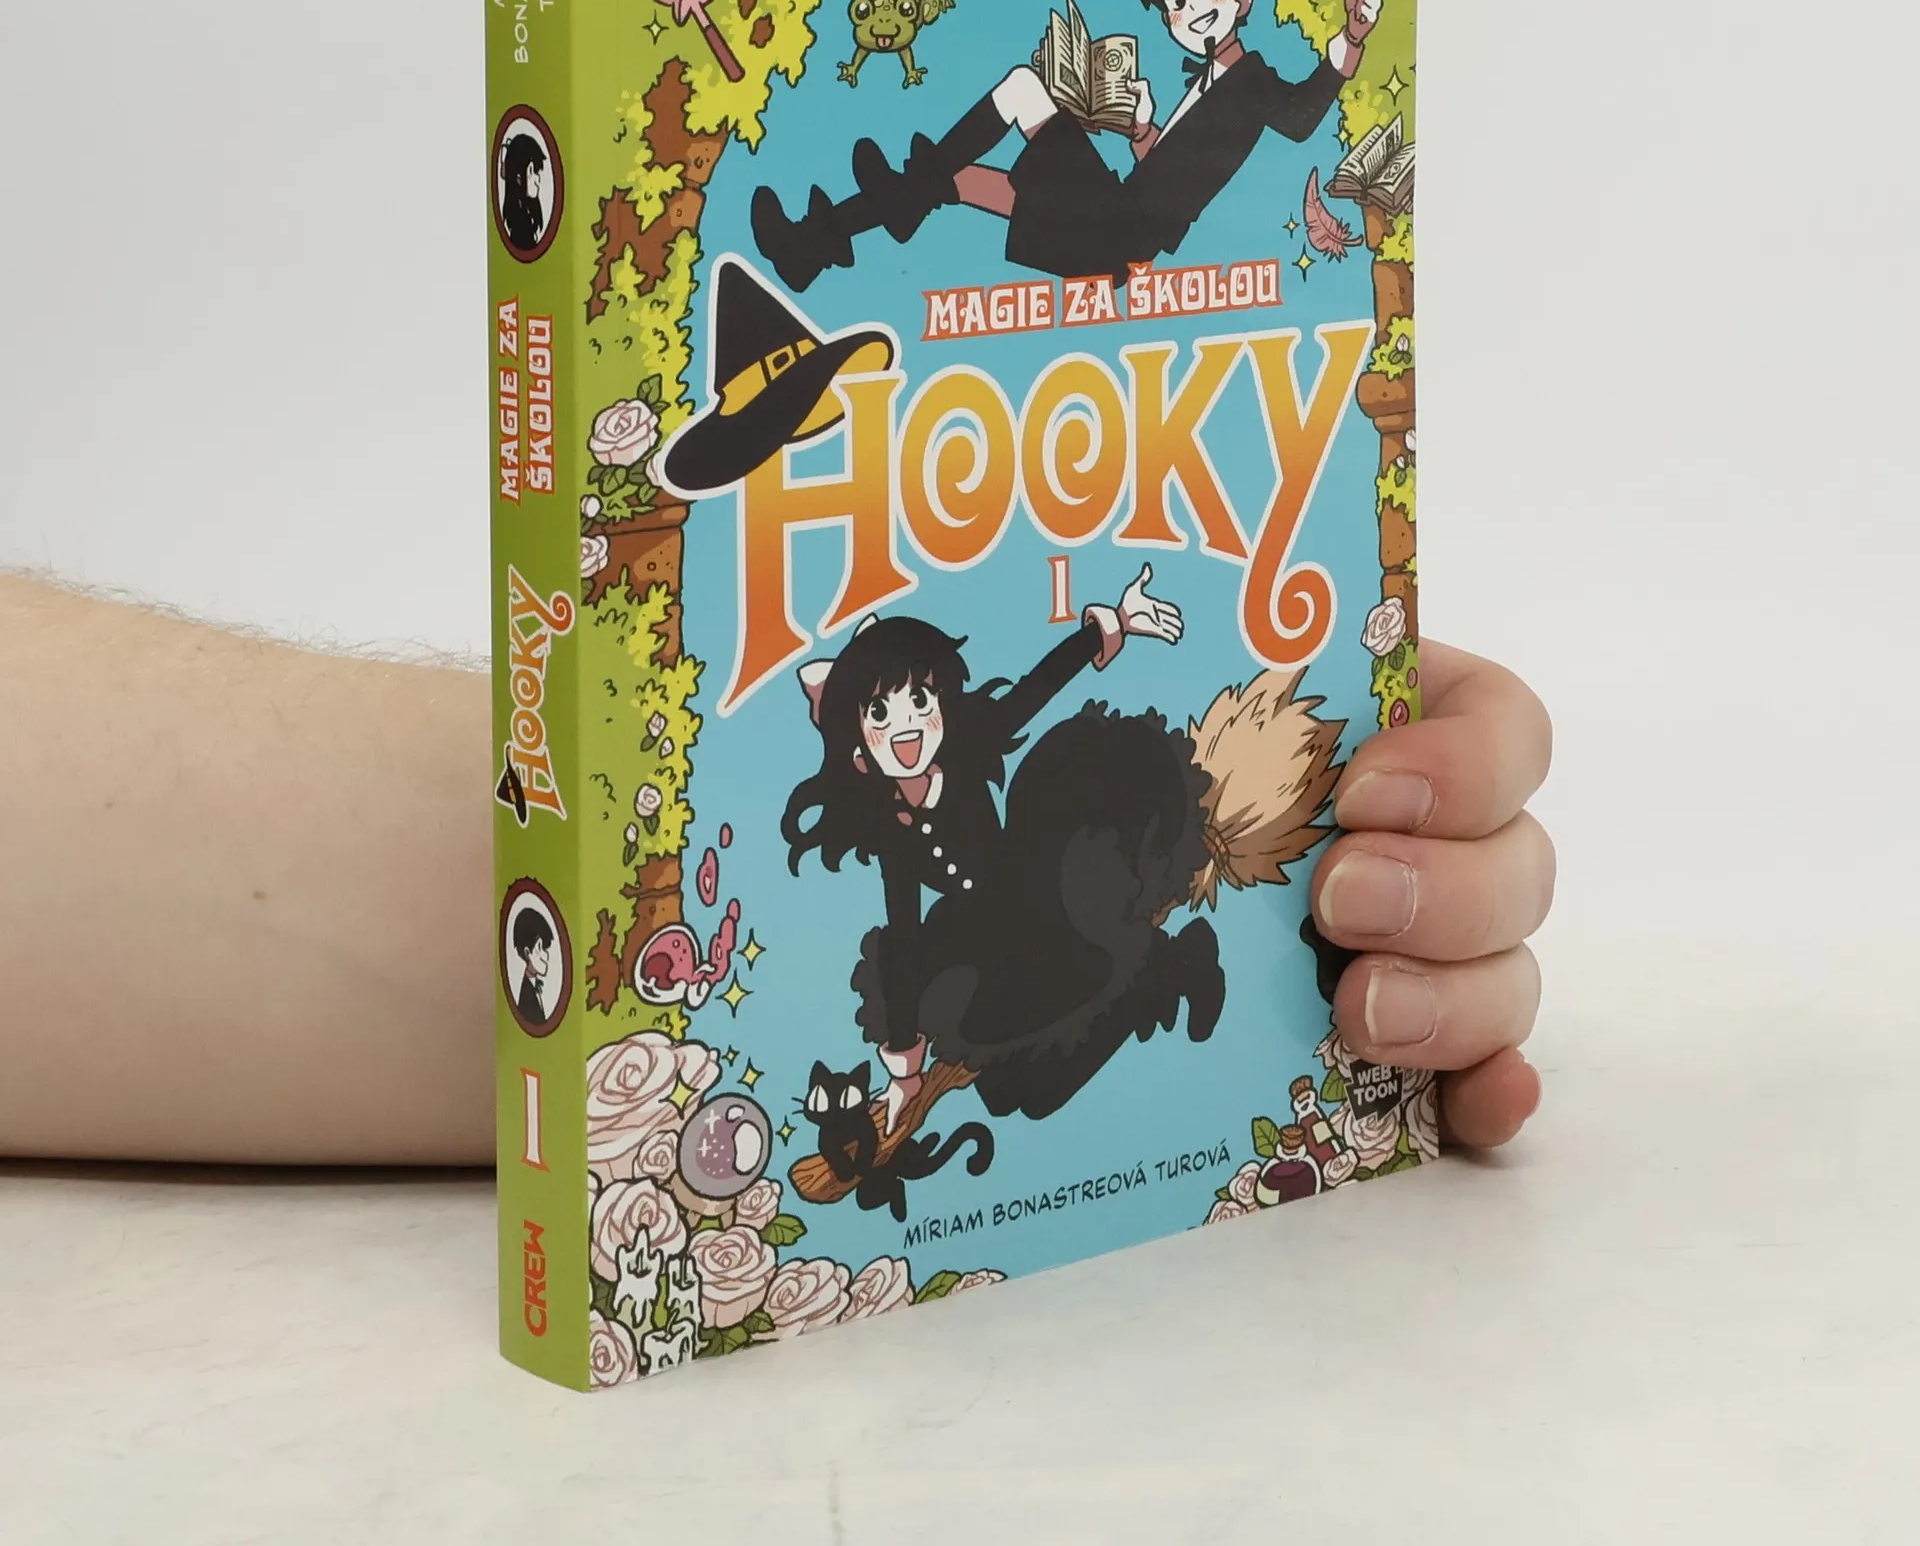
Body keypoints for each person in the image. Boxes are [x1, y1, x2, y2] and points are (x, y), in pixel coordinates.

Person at [0, 572, 1551, 1164]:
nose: (903, 727)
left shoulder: (979, 746)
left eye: (913, 703)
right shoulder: (873, 818)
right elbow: (896, 904)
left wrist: (1116, 637)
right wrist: (896, 1031)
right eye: (876, 713)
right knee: (957, 1008)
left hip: (1040, 894)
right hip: (975, 940)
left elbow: (1019, 700)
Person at [752, 0, 1387, 291]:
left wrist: (1353, 36)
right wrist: (1141, 129)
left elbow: (1301, 117)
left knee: (1024, 89)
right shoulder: (1210, 81)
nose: (1189, 8)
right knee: (961, 183)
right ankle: (810, 245)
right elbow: (1178, 178)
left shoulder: (1250, 83)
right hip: (1111, 226)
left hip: (1117, 231)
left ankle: (909, 185)